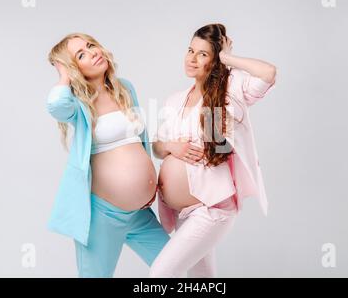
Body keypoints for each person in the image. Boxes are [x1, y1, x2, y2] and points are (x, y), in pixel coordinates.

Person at [150, 23, 277, 277]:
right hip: (182, 211)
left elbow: (268, 73)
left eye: (203, 54)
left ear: (216, 59)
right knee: (201, 280)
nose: (192, 59)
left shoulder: (230, 91)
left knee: (160, 275)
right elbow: (157, 146)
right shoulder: (175, 100)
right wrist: (171, 146)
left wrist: (228, 58)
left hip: (210, 208)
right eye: (190, 50)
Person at [46, 32, 169, 277]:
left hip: (139, 213)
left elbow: (138, 140)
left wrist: (147, 182)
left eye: (91, 45)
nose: (92, 52)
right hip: (103, 216)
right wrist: (63, 75)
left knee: (173, 267)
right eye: (81, 54)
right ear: (73, 68)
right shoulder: (76, 102)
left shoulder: (124, 88)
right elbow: (55, 105)